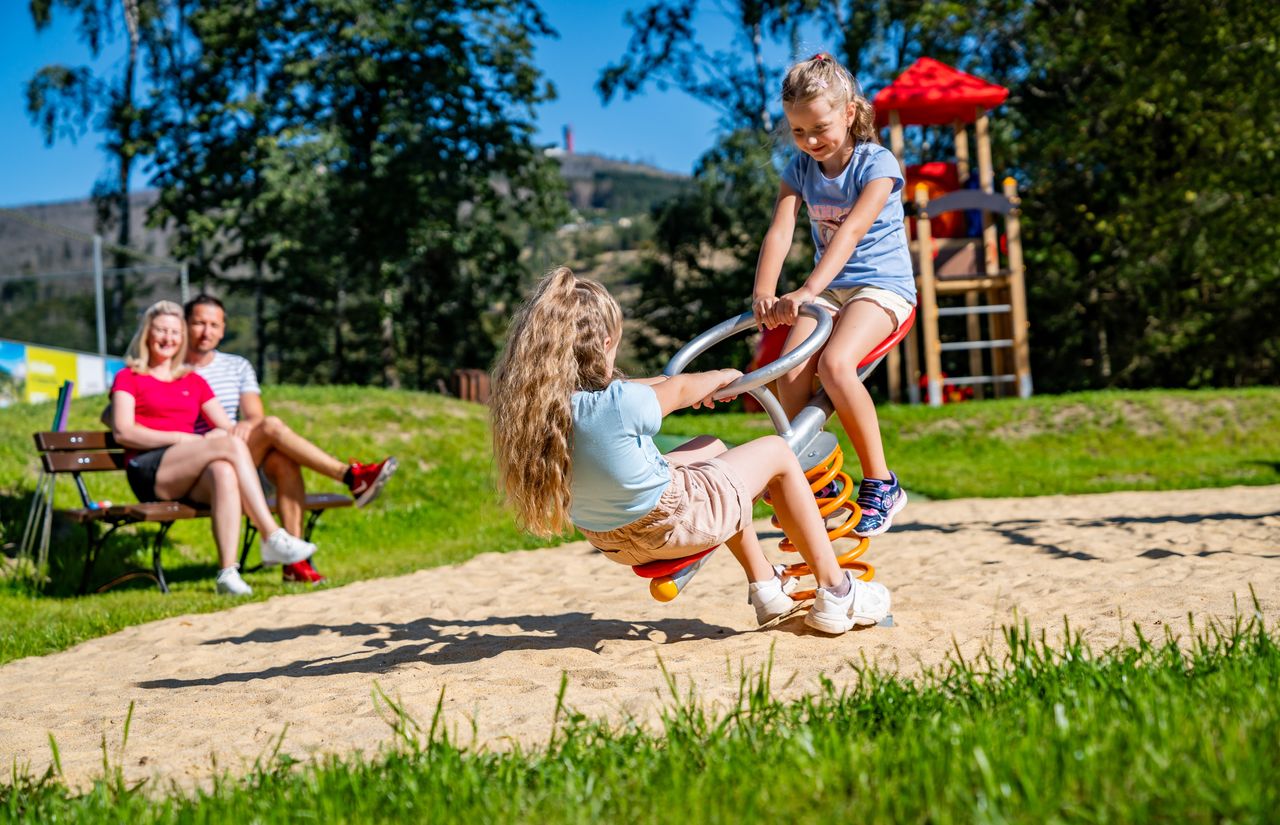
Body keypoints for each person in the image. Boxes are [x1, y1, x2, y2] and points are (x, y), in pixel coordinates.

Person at [490, 267, 890, 634]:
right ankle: (837, 592)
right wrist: (725, 377)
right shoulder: (622, 403)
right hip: (669, 526)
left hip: (610, 539)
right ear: (607, 343)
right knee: (776, 453)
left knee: (711, 449)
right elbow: (677, 390)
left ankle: (766, 584)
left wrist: (681, 384)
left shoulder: (544, 407)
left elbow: (652, 387)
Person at [751, 52, 915, 538]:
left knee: (835, 366)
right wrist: (764, 291)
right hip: (831, 290)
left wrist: (806, 289)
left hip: (880, 286)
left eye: (819, 128)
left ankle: (883, 482)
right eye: (798, 132)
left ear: (849, 112)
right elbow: (780, 231)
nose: (810, 142)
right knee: (790, 372)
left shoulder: (876, 163)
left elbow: (850, 233)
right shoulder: (801, 169)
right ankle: (816, 481)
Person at [183, 294, 398, 584]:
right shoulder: (174, 368)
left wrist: (247, 426)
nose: (206, 331)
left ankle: (294, 564)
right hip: (197, 463)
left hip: (238, 453)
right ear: (185, 325)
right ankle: (350, 477)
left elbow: (254, 415)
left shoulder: (238, 366)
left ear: (223, 329)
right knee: (272, 429)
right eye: (198, 323)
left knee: (282, 460)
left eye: (213, 324)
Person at [109, 301, 316, 596]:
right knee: (226, 449)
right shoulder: (129, 377)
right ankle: (271, 535)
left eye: (174, 332)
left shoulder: (192, 380)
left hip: (187, 471)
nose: (168, 339)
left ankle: (227, 574)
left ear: (182, 338)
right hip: (149, 469)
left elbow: (228, 428)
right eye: (161, 331)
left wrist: (221, 433)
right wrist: (182, 438)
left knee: (223, 471)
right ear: (146, 335)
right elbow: (123, 431)